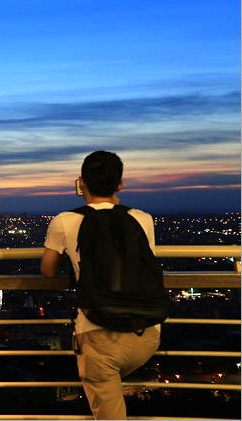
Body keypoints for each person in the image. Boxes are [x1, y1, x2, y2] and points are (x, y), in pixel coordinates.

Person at [40, 150, 160, 420]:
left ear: (81, 183)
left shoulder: (65, 221)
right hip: (146, 333)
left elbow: (47, 270)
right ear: (120, 184)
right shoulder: (142, 219)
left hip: (98, 335)